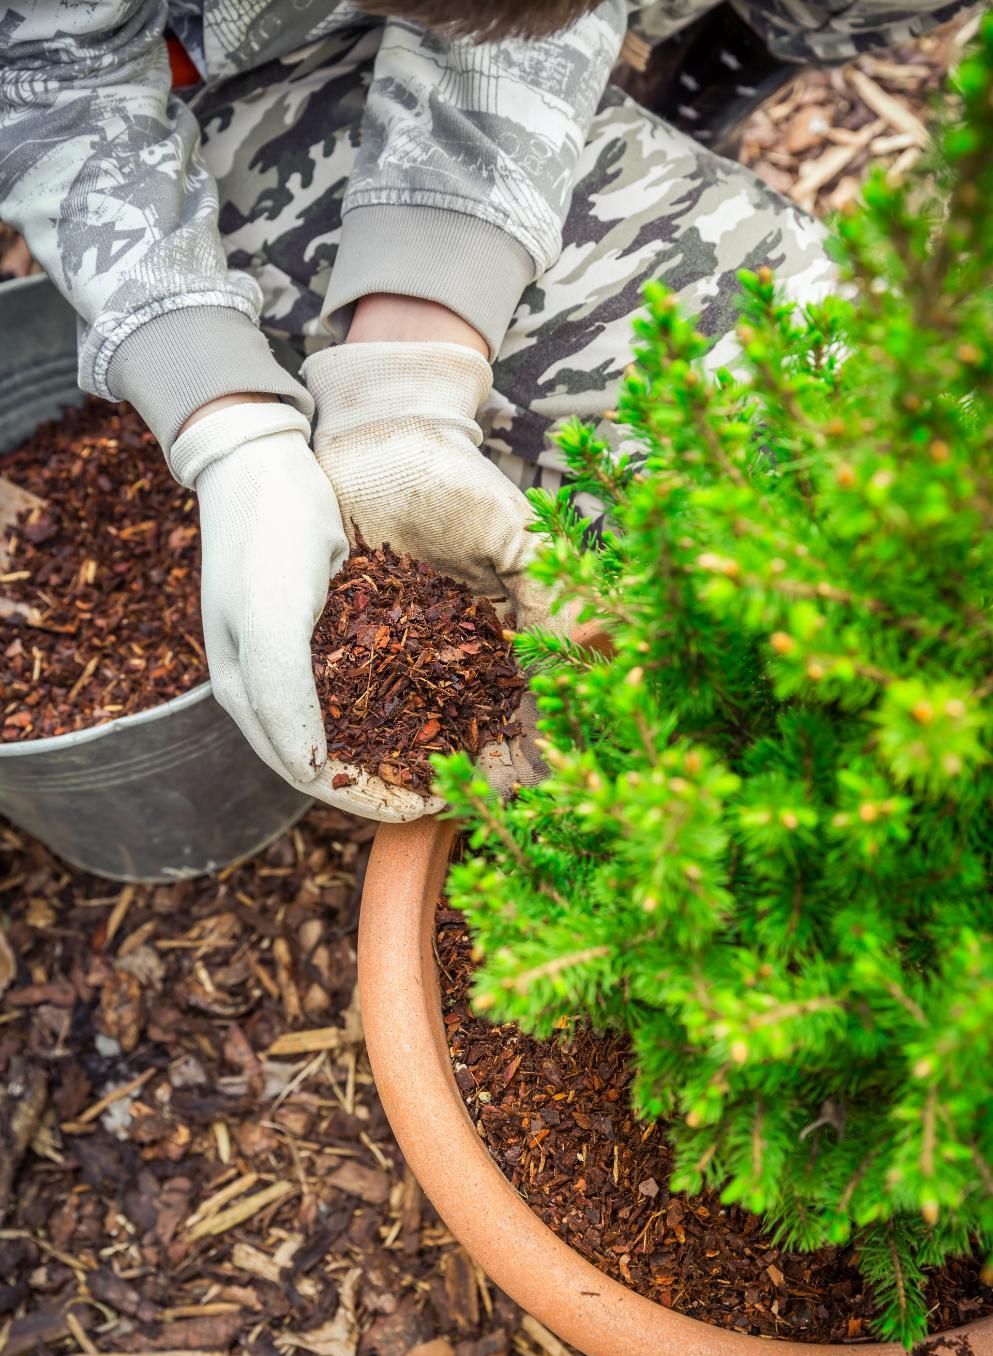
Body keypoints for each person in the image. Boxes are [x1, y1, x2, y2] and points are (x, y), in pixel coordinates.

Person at [0, 0, 965, 819]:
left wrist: (409, 371)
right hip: (185, 68)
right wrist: (225, 419)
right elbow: (44, 72)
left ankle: (696, 65)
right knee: (796, 419)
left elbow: (519, 26)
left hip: (475, 32)